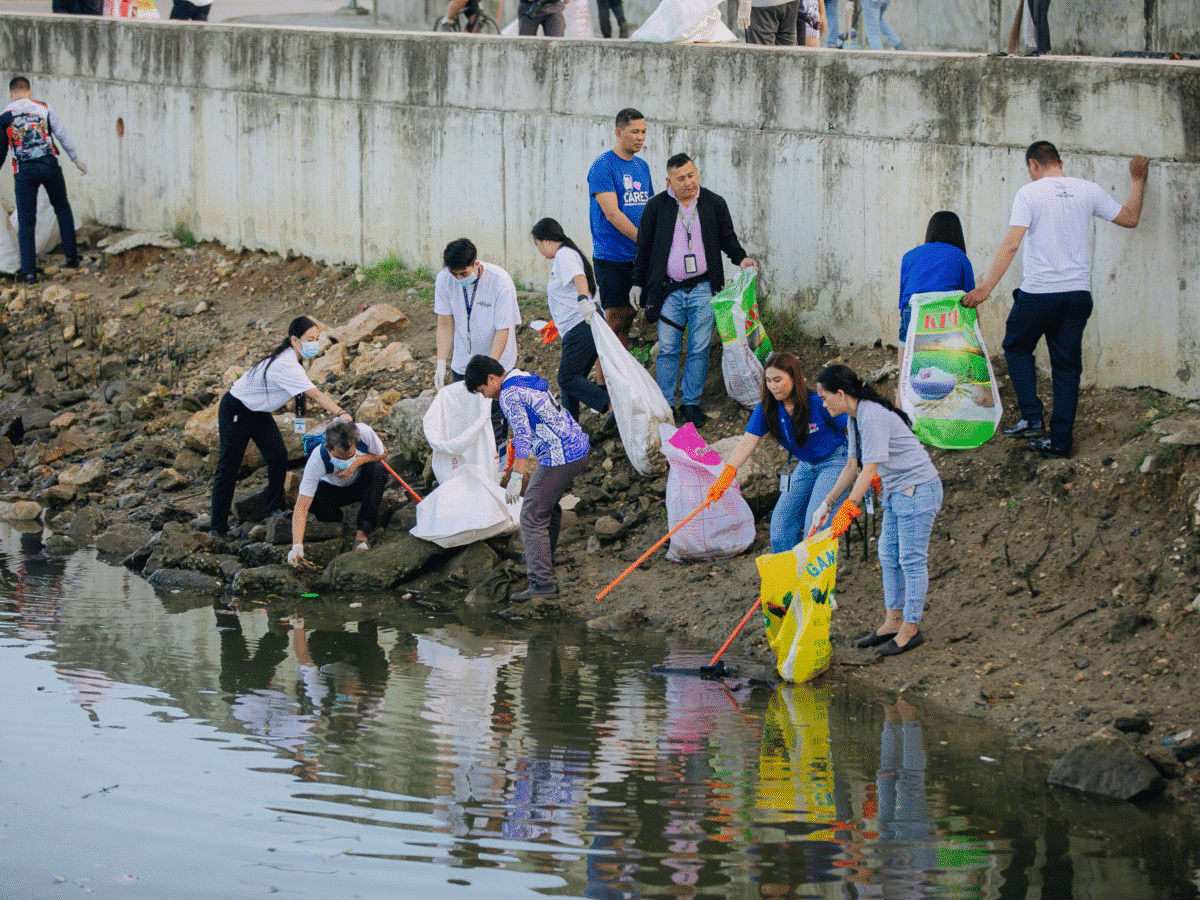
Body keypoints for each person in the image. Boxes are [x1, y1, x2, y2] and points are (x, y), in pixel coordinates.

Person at [963, 142, 1148, 458]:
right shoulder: (1087, 189)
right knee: (1067, 369)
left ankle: (1032, 418)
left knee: (1016, 346)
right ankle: (1060, 443)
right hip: (1078, 295)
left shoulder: (1029, 193)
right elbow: (1130, 218)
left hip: (1040, 293)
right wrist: (1138, 179)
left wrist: (985, 289)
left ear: (1034, 164)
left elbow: (1011, 245)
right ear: (1059, 162)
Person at [813, 364, 942, 656]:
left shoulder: (870, 415)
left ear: (841, 394)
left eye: (824, 398)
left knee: (911, 559)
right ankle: (892, 621)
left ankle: (911, 628)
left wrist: (848, 509)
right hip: (898, 492)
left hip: (918, 489)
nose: (823, 404)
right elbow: (851, 467)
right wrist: (828, 503)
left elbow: (869, 469)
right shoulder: (855, 418)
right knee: (887, 553)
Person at [630, 153, 757, 427]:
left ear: (696, 173)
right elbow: (644, 248)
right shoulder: (656, 207)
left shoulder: (713, 203)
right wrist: (638, 282)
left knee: (699, 348)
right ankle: (665, 404)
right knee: (668, 348)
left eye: (691, 175)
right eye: (681, 179)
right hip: (668, 290)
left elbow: (728, 240)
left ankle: (691, 403)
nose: (688, 183)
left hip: (703, 287)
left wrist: (742, 258)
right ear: (669, 181)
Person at [209, 316, 351, 538]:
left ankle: (273, 508)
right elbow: (313, 393)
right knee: (229, 467)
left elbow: (299, 394)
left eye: (317, 338)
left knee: (277, 455)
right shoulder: (285, 363)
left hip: (258, 412)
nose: (315, 343)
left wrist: (299, 423)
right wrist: (341, 413)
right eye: (310, 339)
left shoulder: (295, 360)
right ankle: (217, 527)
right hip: (236, 409)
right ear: (295, 340)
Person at [465, 354, 590, 601]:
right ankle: (543, 557)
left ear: (491, 378)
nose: (486, 396)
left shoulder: (509, 395)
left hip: (561, 455)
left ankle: (542, 583)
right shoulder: (521, 376)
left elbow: (522, 436)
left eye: (483, 390)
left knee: (531, 516)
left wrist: (516, 476)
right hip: (577, 446)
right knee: (547, 507)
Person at [707, 352, 849, 552]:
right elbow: (748, 441)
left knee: (816, 527)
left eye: (778, 380)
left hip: (835, 461)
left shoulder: (818, 402)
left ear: (794, 378)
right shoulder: (767, 409)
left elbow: (852, 425)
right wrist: (728, 473)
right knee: (780, 526)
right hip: (806, 465)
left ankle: (816, 583)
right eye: (768, 381)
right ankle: (788, 581)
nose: (772, 386)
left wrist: (868, 465)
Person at [433, 237, 520, 453]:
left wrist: (489, 368)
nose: (458, 278)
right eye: (454, 274)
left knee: (494, 420)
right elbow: (445, 324)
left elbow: (503, 329)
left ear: (476, 264)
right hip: (464, 362)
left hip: (496, 363)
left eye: (463, 274)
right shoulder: (444, 280)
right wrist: (441, 363)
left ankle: (497, 465)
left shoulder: (500, 282)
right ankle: (469, 467)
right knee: (464, 419)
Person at [0, 76, 84, 285]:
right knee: (62, 209)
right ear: (29, 91)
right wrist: (76, 159)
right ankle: (72, 258)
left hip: (24, 171)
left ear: (11, 93)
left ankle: (29, 273)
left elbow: (1, 151)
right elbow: (62, 135)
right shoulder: (43, 108)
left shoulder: (4, 115)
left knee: (27, 220)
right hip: (49, 166)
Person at [531, 217, 612, 429]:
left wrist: (583, 300)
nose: (539, 250)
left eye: (537, 244)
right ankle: (570, 431)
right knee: (572, 382)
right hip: (577, 328)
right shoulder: (565, 255)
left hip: (581, 324)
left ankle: (611, 406)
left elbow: (579, 278)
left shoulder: (564, 254)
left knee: (566, 377)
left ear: (546, 241)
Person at [587, 109, 654, 348]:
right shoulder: (602, 166)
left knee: (628, 321)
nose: (640, 137)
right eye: (634, 131)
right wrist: (645, 240)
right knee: (614, 324)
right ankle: (604, 384)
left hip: (638, 257)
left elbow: (650, 210)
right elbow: (612, 213)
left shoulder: (642, 167)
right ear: (618, 132)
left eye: (644, 132)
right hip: (612, 257)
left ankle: (622, 381)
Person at [287, 420, 388, 568]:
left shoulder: (364, 433)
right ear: (329, 448)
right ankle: (337, 521)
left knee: (378, 470)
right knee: (310, 498)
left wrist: (357, 462)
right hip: (331, 491)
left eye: (350, 455)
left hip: (359, 484)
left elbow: (382, 453)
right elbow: (301, 508)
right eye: (341, 457)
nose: (346, 460)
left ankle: (362, 534)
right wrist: (297, 546)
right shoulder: (317, 459)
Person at [897, 211, 975, 365]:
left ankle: (901, 384)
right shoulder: (960, 257)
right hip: (946, 319)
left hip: (912, 313)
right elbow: (970, 300)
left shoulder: (909, 256)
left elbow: (903, 300)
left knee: (906, 363)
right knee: (945, 367)